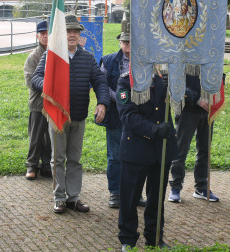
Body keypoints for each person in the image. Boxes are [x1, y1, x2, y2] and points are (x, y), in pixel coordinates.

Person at [31, 14, 110, 214]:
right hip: (57, 117)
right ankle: (59, 198)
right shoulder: (51, 56)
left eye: (76, 31)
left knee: (75, 159)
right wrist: (49, 89)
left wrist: (102, 102)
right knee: (57, 159)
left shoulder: (88, 57)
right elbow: (36, 78)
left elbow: (100, 81)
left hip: (79, 116)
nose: (72, 35)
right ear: (61, 34)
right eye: (68, 31)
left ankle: (73, 198)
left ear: (80, 35)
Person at [115, 67, 177, 251]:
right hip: (136, 148)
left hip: (161, 149)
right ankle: (127, 238)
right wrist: (154, 130)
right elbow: (127, 116)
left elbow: (179, 99)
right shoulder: (126, 81)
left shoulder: (162, 78)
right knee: (130, 197)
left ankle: (155, 237)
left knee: (157, 197)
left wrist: (174, 85)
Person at [99, 23, 146, 208]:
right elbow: (102, 85)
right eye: (125, 42)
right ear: (119, 42)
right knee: (115, 156)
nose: (128, 45)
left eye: (131, 42)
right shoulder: (107, 61)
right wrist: (121, 100)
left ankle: (135, 192)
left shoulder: (144, 61)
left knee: (138, 155)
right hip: (116, 115)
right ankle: (116, 193)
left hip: (138, 116)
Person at [168, 73, 220, 203]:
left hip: (208, 110)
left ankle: (201, 187)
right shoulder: (183, 53)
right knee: (180, 150)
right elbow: (176, 81)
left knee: (204, 150)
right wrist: (197, 98)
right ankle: (175, 186)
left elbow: (218, 75)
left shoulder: (212, 55)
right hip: (187, 109)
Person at [23, 20, 52, 180]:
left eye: (48, 33)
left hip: (55, 103)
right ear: (37, 36)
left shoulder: (57, 54)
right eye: (42, 34)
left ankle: (47, 166)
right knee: (36, 137)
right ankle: (31, 165)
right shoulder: (34, 56)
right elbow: (30, 80)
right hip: (38, 102)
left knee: (50, 137)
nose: (45, 37)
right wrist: (50, 85)